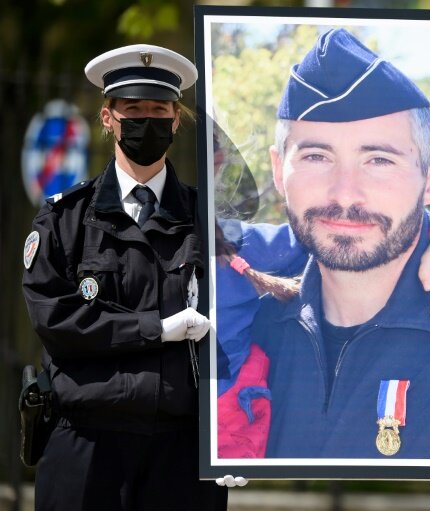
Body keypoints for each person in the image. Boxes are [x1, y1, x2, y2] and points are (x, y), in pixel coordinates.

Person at [218, 28, 430, 464]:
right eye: (316, 157)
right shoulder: (258, 329)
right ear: (277, 170)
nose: (345, 194)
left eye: (379, 160)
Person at [21, 44, 229, 510]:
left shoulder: (209, 220)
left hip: (184, 452)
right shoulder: (64, 220)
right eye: (132, 109)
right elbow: (56, 319)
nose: (146, 121)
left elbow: (244, 320)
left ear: (176, 119)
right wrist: (156, 329)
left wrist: (239, 440)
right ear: (108, 117)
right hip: (88, 446)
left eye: (159, 110)